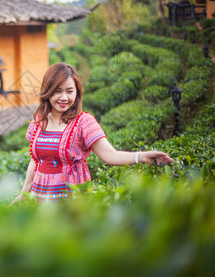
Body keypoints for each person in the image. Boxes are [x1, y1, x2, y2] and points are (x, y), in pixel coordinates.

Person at [11, 63, 173, 204]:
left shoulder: (83, 123)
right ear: (48, 91)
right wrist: (24, 192)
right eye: (57, 91)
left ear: (77, 93)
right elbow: (36, 161)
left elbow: (110, 155)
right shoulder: (39, 121)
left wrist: (141, 157)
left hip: (71, 201)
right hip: (39, 199)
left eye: (69, 91)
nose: (64, 97)